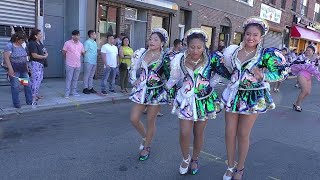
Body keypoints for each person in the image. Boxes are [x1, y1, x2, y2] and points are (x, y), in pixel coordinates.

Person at [214, 17, 288, 180]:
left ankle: (240, 168)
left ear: (261, 37)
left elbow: (283, 71)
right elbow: (227, 72)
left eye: (255, 35)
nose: (251, 38)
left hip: (252, 97)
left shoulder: (266, 55)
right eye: (248, 34)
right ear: (243, 34)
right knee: (229, 132)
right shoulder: (233, 51)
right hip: (233, 95)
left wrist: (264, 76)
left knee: (242, 134)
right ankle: (230, 166)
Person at [165, 28, 222, 175]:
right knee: (184, 132)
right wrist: (166, 90)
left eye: (199, 47)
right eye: (192, 47)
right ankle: (185, 158)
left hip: (203, 101)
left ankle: (195, 159)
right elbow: (174, 78)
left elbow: (220, 75)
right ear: (186, 46)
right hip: (186, 100)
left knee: (198, 133)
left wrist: (209, 85)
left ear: (204, 47)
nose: (195, 50)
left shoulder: (211, 59)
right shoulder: (180, 59)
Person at [129, 28, 170, 161]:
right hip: (141, 91)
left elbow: (170, 77)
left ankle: (147, 147)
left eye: (155, 39)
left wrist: (171, 94)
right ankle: (146, 137)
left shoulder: (165, 58)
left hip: (156, 92)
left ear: (162, 43)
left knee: (150, 121)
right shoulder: (142, 53)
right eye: (150, 39)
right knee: (134, 119)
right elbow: (135, 68)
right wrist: (135, 80)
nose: (151, 41)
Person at [3, 32, 32, 108]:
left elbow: (25, 57)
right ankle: (17, 104)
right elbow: (6, 58)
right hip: (15, 70)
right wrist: (10, 69)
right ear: (17, 39)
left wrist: (27, 67)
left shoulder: (23, 45)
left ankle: (29, 101)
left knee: (27, 85)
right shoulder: (10, 45)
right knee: (15, 87)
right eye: (22, 40)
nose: (23, 41)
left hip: (23, 69)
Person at [291, 45, 320, 112]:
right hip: (302, 74)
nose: (307, 51)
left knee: (308, 92)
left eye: (309, 50)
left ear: (313, 52)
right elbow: (296, 62)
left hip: (309, 76)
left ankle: (296, 103)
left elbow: (316, 68)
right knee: (304, 90)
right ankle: (297, 105)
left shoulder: (316, 59)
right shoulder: (302, 57)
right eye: (306, 50)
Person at [62, 30, 85, 98]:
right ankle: (66, 93)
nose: (77, 36)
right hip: (70, 64)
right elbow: (64, 52)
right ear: (72, 36)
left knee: (75, 79)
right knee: (69, 79)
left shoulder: (81, 44)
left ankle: (73, 92)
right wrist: (67, 59)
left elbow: (82, 53)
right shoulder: (67, 43)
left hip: (78, 64)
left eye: (78, 35)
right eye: (76, 35)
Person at [28, 29, 48, 105]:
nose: (41, 35)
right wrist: (44, 57)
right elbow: (34, 55)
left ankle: (36, 94)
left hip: (40, 64)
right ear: (35, 36)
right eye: (40, 34)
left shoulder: (39, 42)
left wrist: (46, 54)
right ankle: (33, 96)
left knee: (39, 80)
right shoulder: (32, 43)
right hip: (35, 64)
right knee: (34, 81)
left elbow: (44, 50)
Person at [83, 30, 98, 94]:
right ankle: (85, 88)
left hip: (94, 61)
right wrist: (85, 59)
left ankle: (90, 87)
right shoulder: (87, 42)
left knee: (91, 75)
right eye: (94, 34)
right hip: (88, 61)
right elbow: (84, 52)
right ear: (91, 35)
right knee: (87, 75)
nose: (95, 35)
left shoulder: (94, 42)